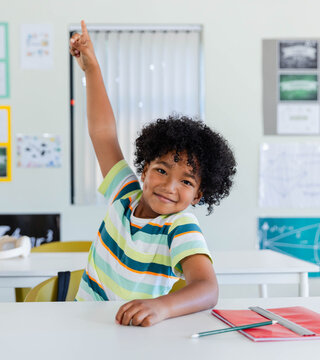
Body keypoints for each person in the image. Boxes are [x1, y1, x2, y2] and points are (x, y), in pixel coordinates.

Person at [70, 21, 236, 327]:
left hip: (132, 331)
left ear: (199, 194)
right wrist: (91, 70)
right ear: (144, 170)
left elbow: (207, 288)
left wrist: (162, 307)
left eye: (186, 181)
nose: (170, 186)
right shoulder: (124, 194)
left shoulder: (179, 225)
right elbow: (102, 132)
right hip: (86, 319)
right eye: (161, 170)